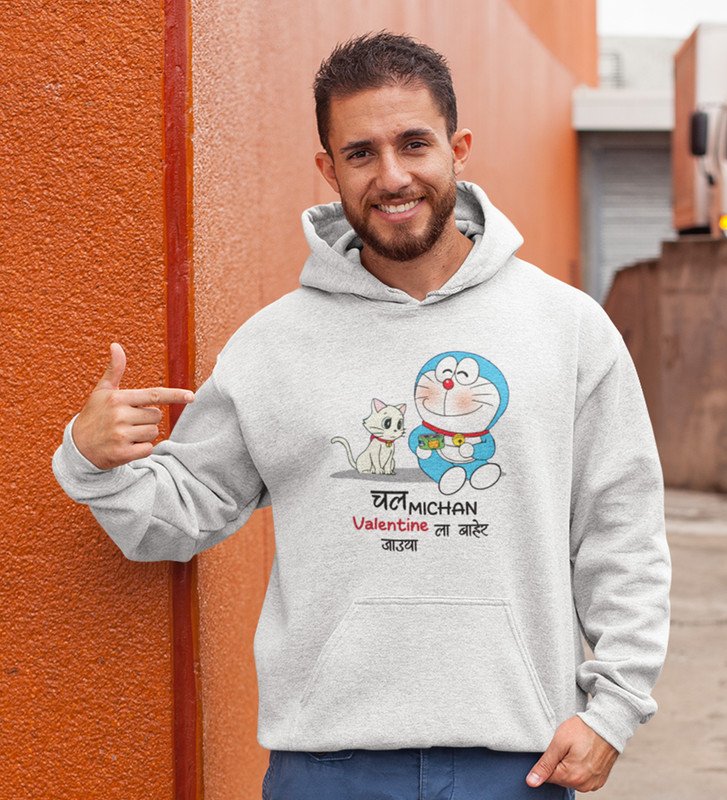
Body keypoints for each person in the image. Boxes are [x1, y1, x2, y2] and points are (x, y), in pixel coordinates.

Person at [51, 31, 672, 800]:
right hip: (326, 765)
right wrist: (94, 462)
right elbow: (178, 516)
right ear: (328, 169)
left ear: (457, 149)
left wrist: (614, 706)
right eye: (360, 153)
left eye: (413, 143)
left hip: (515, 762)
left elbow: (621, 528)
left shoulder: (565, 327)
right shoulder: (275, 344)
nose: (392, 176)